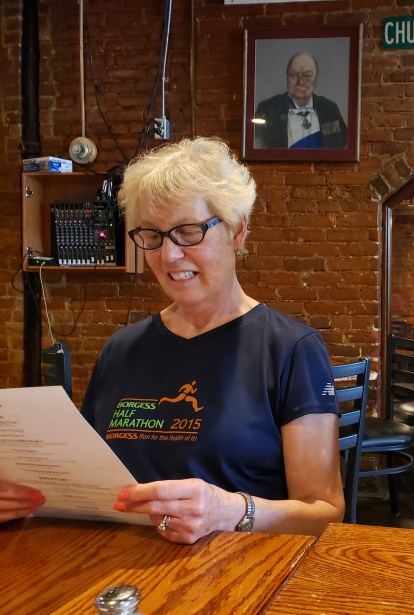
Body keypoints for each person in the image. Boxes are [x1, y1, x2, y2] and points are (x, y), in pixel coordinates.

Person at [1, 137, 344, 543]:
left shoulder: (291, 349)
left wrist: (230, 510)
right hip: (118, 567)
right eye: (152, 235)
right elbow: (87, 483)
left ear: (236, 230)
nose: (169, 255)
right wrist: (24, 495)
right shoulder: (120, 350)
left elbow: (324, 514)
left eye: (188, 231)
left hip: (239, 570)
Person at [254, 51, 347, 149]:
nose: (300, 82)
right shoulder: (267, 109)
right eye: (294, 75)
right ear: (287, 76)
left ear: (316, 78)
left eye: (307, 76)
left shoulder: (330, 109)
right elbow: (257, 148)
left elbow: (342, 146)